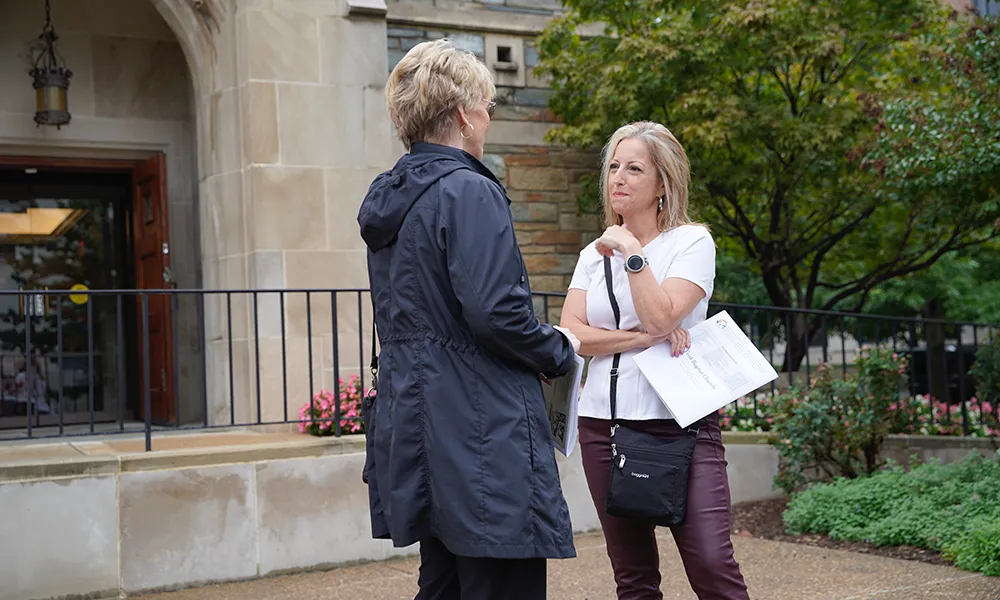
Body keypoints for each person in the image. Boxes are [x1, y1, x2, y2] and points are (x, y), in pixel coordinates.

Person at [357, 39, 582, 600]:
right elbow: (496, 313)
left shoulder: (395, 199)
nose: (488, 118)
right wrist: (559, 350)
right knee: (499, 583)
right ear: (461, 113)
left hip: (420, 420)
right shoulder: (467, 190)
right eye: (485, 106)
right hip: (482, 428)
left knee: (445, 582)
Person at [559, 121, 750, 600]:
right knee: (633, 575)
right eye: (614, 167)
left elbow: (661, 316)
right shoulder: (590, 254)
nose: (618, 178)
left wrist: (631, 251)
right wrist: (638, 340)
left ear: (662, 183)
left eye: (634, 168)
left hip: (679, 425)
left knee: (711, 562)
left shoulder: (692, 243)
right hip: (602, 424)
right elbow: (573, 335)